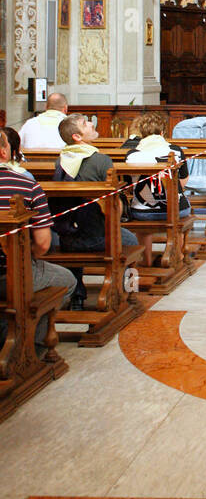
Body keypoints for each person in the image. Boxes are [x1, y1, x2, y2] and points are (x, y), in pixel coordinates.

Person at [0, 129, 76, 348]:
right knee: (67, 281)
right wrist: (24, 255)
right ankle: (30, 347)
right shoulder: (26, 185)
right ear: (5, 152)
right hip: (9, 272)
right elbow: (43, 243)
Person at [54, 114, 139, 255]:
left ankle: (76, 277)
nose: (91, 124)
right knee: (131, 241)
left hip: (67, 237)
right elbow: (115, 205)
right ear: (77, 137)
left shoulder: (61, 161)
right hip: (96, 235)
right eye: (84, 123)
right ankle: (119, 276)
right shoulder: (101, 160)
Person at [123, 113, 191, 219]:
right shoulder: (175, 150)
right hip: (176, 209)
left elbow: (129, 185)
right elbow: (183, 180)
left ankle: (144, 235)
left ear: (142, 134)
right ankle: (178, 236)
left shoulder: (132, 154)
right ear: (162, 133)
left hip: (142, 211)